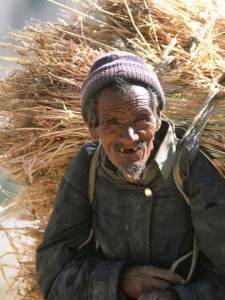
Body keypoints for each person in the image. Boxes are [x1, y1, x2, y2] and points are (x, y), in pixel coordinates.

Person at [36, 51, 225, 300]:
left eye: (141, 119)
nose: (130, 137)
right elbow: (53, 275)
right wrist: (119, 280)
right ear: (93, 127)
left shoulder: (192, 170)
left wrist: (180, 297)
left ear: (158, 118)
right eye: (113, 122)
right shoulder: (87, 168)